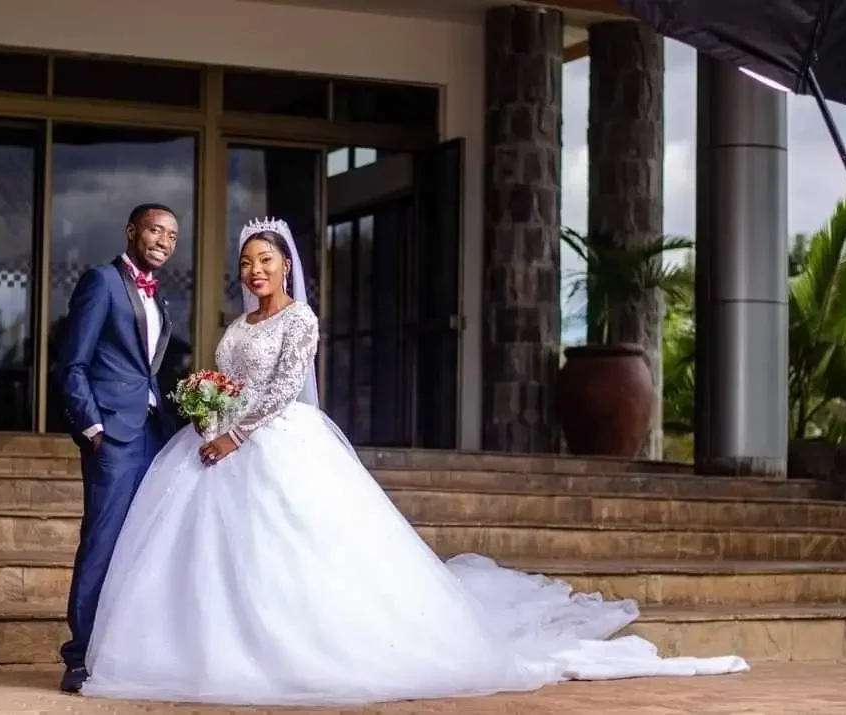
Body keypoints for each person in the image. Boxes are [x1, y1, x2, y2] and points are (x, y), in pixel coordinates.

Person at [79, 217, 749, 706]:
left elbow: (284, 388)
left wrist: (236, 433)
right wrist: (208, 410)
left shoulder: (299, 319)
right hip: (214, 444)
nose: (254, 270)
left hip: (274, 443)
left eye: (265, 260)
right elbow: (226, 373)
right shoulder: (236, 323)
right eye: (247, 262)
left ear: (285, 267)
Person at [54, 203, 181, 693]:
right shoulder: (101, 282)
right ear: (132, 231)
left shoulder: (159, 299)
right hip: (114, 437)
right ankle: (79, 656)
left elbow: (144, 369)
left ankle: (123, 651)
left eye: (172, 236)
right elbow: (73, 364)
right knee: (103, 543)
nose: (164, 242)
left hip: (152, 434)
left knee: (141, 547)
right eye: (155, 230)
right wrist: (92, 428)